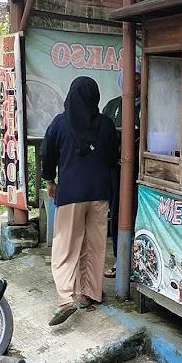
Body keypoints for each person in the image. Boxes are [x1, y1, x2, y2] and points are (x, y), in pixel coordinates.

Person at [41, 77, 119, 327]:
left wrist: (50, 180)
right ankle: (89, 293)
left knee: (65, 246)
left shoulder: (60, 123)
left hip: (70, 193)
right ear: (95, 97)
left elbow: (47, 153)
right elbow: (112, 157)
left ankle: (66, 298)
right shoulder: (106, 125)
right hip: (99, 193)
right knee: (95, 244)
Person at [102, 64, 141, 278]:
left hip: (143, 172)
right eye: (129, 80)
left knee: (139, 215)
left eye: (138, 80)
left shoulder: (149, 104)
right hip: (117, 172)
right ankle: (121, 259)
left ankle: (139, 262)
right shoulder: (112, 106)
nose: (134, 85)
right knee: (119, 213)